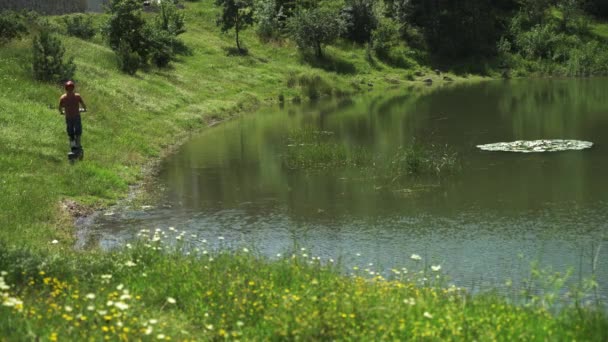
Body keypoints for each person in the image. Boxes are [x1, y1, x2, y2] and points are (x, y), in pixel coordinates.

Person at [58, 80, 87, 152]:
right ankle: (78, 145)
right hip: (76, 116)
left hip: (68, 117)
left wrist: (62, 112)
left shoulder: (63, 97)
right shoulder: (77, 96)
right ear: (73, 88)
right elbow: (83, 105)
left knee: (70, 132)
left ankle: (73, 146)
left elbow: (60, 108)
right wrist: (84, 109)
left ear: (65, 88)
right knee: (78, 131)